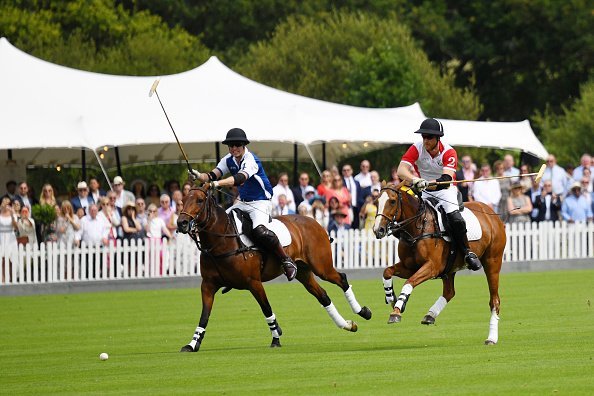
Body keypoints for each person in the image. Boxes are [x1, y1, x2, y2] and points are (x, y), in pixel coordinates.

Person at [189, 127, 297, 281]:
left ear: (244, 145)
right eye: (231, 146)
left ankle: (286, 260)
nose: (234, 148)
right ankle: (228, 270)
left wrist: (216, 184)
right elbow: (213, 174)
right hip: (242, 201)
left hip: (261, 201)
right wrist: (199, 175)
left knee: (259, 230)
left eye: (237, 145)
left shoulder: (251, 160)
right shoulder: (228, 159)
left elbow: (240, 178)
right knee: (220, 225)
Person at [397, 118, 482, 270]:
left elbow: (446, 179)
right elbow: (401, 170)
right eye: (423, 136)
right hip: (423, 191)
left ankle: (467, 253)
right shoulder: (416, 148)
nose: (425, 140)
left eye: (429, 137)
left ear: (438, 138)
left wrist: (428, 183)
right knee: (404, 217)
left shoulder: (449, 152)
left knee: (455, 219)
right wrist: (416, 180)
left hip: (445, 191)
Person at [341, 164, 363, 229]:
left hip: (356, 207)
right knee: (347, 225)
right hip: (346, 207)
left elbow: (359, 195)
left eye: (348, 170)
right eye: (344, 170)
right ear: (342, 172)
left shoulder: (356, 182)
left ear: (351, 171)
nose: (346, 172)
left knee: (356, 226)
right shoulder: (341, 182)